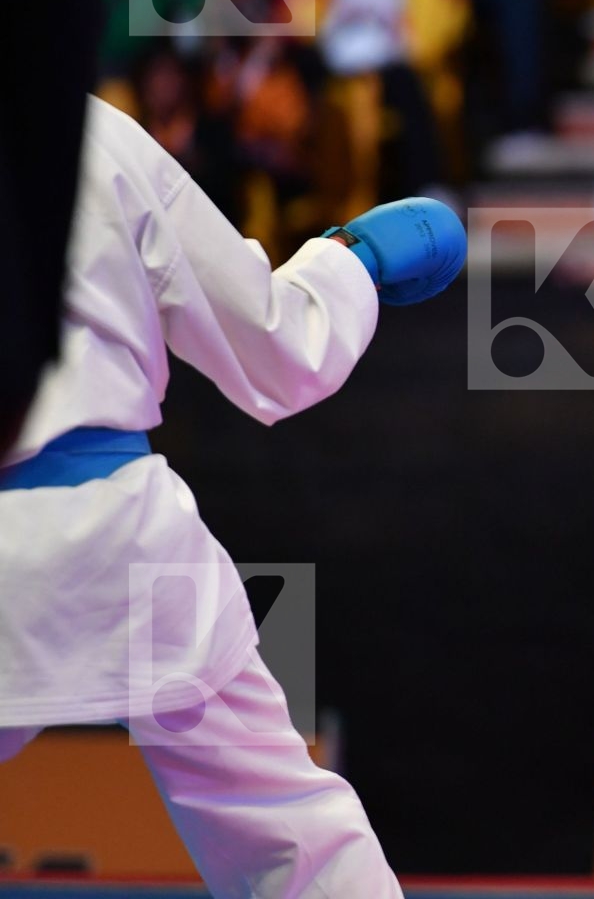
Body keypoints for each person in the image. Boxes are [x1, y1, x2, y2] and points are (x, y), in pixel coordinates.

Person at [0, 96, 466, 894]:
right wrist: (355, 256)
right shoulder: (94, 135)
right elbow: (278, 345)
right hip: (127, 543)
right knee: (296, 838)